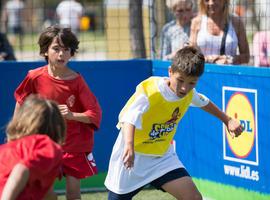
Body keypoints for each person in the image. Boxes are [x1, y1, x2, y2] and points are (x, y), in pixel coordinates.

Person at [104, 46, 243, 200]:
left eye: (192, 83)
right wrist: (129, 145)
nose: (184, 88)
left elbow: (203, 102)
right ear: (170, 71)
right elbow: (129, 118)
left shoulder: (189, 94)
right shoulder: (151, 91)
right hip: (133, 156)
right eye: (180, 80)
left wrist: (227, 120)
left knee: (193, 197)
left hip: (161, 157)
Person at [14, 25, 102, 199]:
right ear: (45, 51)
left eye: (66, 50)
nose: (61, 54)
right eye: (56, 49)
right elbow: (20, 103)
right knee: (44, 192)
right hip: (44, 144)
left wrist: (71, 115)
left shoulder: (77, 81)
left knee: (73, 193)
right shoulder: (34, 77)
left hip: (74, 145)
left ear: (72, 53)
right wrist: (17, 134)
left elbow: (94, 113)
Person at [0, 95, 66, 199]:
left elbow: (47, 193)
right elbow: (21, 169)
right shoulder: (47, 145)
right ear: (58, 127)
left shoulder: (5, 149)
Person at [189, 0, 250, 65]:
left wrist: (229, 59)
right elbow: (190, 54)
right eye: (206, 0)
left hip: (230, 72)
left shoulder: (237, 22)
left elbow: (246, 56)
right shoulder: (196, 22)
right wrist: (208, 59)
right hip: (203, 72)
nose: (211, 3)